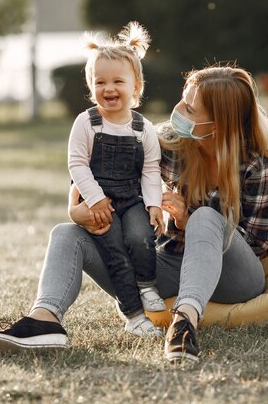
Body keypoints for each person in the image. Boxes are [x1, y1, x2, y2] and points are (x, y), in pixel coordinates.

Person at [0, 64, 268, 363]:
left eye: (190, 110)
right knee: (65, 234)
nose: (178, 111)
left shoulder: (258, 168)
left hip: (234, 277)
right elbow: (100, 176)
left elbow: (257, 245)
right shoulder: (167, 145)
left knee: (205, 216)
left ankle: (184, 324)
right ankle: (44, 319)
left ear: (218, 124)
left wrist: (190, 221)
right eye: (183, 100)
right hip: (167, 264)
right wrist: (76, 209)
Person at [67, 21, 166, 337]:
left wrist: (153, 205)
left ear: (136, 86)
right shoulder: (87, 123)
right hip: (99, 205)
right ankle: (135, 316)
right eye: (100, 82)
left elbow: (151, 170)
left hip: (132, 199)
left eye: (117, 81)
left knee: (140, 238)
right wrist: (94, 199)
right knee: (117, 256)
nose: (108, 89)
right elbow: (77, 164)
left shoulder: (143, 128)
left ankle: (147, 285)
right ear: (91, 85)